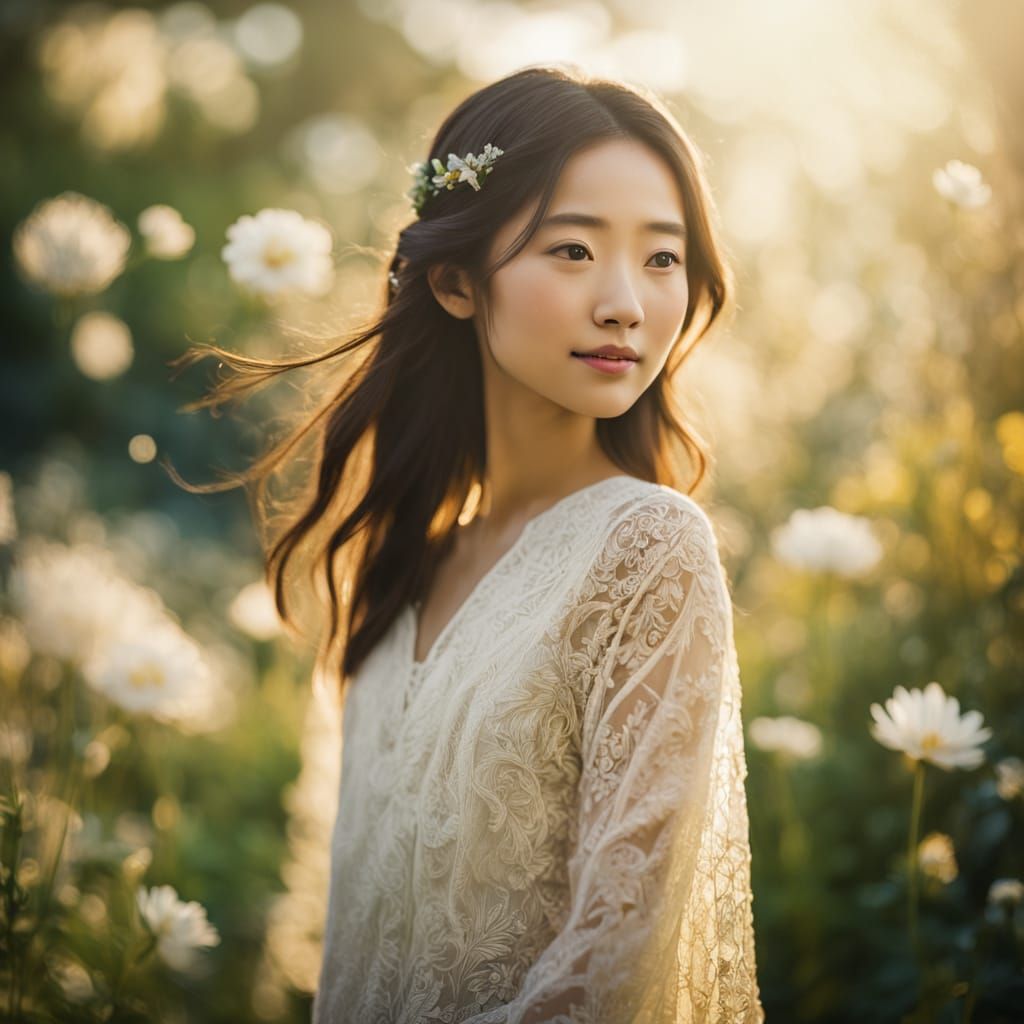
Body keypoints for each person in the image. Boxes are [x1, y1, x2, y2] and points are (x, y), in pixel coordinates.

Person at [171, 62, 763, 1024]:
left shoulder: (648, 547)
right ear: (453, 279)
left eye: (662, 258)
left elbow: (614, 964)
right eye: (573, 251)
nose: (626, 302)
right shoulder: (397, 567)